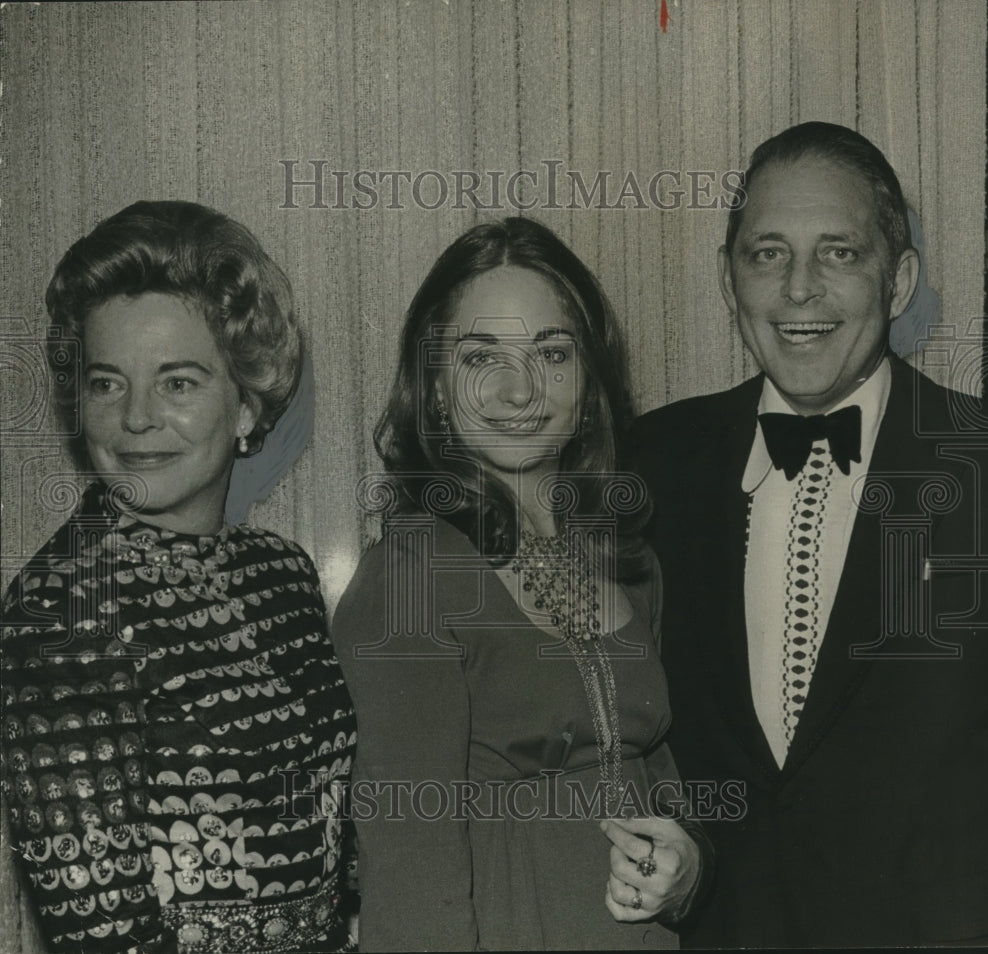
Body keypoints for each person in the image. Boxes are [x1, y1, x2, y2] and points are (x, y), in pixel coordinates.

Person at [631, 122, 988, 947]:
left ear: (899, 280)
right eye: (767, 253)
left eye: (840, 252)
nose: (799, 289)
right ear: (730, 280)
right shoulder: (648, 466)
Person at [332, 217, 710, 951]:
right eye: (482, 357)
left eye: (552, 352)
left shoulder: (627, 562)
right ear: (435, 388)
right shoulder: (412, 577)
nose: (519, 389)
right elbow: (410, 881)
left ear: (588, 382)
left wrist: (688, 866)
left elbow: (660, 785)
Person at [0, 201, 357, 954]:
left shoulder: (284, 576)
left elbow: (339, 850)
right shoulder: (60, 607)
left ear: (248, 404)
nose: (134, 419)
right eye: (106, 383)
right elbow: (101, 929)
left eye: (179, 383)